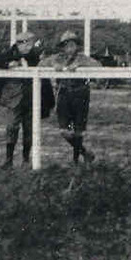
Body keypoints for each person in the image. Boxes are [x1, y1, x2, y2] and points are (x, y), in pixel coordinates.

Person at [0, 30, 47, 167]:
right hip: (14, 98)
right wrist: (7, 65)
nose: (28, 47)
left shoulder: (36, 55)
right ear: (19, 44)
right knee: (12, 127)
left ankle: (25, 160)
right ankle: (9, 160)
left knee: (29, 129)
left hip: (31, 97)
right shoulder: (10, 54)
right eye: (25, 44)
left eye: (30, 44)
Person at [40, 30, 101, 163]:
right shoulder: (57, 58)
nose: (69, 48)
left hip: (80, 94)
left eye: (72, 45)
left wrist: (80, 66)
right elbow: (41, 64)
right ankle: (84, 152)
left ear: (77, 46)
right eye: (66, 45)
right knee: (65, 131)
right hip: (63, 94)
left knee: (78, 130)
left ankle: (75, 161)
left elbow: (97, 65)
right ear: (62, 47)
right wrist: (54, 66)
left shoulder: (82, 58)